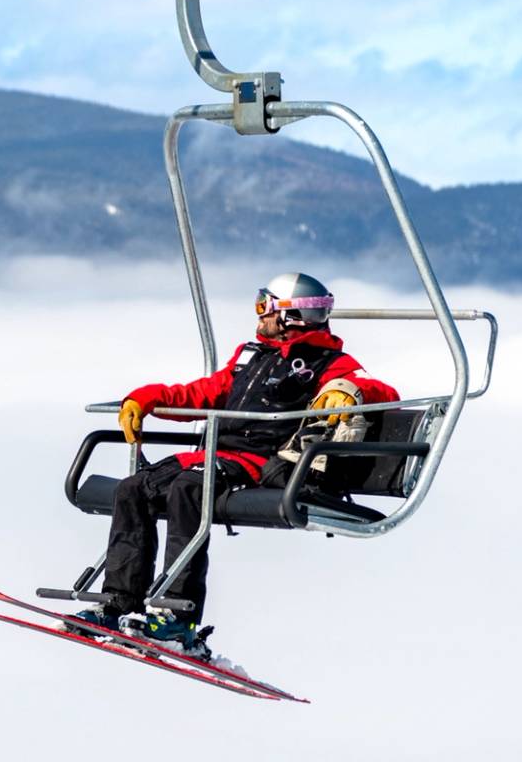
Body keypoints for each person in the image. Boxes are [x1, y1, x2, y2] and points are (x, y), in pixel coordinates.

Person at [74, 272, 398, 657]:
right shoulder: (250, 357)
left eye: (265, 307)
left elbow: (380, 390)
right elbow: (204, 393)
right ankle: (118, 602)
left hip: (261, 464)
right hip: (213, 454)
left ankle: (179, 616)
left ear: (289, 315)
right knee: (133, 488)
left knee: (190, 489)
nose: (258, 315)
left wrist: (347, 390)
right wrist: (146, 398)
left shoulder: (329, 362)